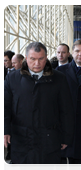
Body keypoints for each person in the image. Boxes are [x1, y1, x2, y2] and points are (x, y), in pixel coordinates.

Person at [4, 42, 74, 170]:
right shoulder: (12, 79)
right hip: (23, 138)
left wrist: (66, 136)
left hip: (48, 139)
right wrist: (5, 131)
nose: (37, 63)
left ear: (46, 58)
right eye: (33, 59)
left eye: (41, 59)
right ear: (26, 58)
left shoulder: (59, 79)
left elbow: (66, 110)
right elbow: (5, 107)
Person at [56, 40, 81, 170]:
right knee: (63, 162)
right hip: (66, 126)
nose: (80, 54)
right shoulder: (59, 72)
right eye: (77, 51)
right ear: (72, 53)